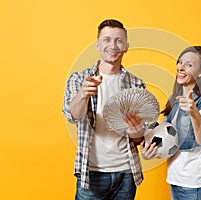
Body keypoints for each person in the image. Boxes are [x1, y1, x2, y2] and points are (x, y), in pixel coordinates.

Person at [62, 19, 146, 200]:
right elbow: (72, 116)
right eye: (107, 40)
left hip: (126, 172)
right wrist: (83, 95)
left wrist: (138, 133)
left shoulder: (137, 84)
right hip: (92, 173)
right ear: (97, 45)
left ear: (126, 46)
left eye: (118, 40)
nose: (113, 45)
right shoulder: (79, 79)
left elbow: (139, 137)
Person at [141, 46, 201, 200]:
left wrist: (194, 113)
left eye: (189, 65)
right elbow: (164, 137)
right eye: (180, 62)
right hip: (176, 181)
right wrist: (149, 150)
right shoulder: (174, 99)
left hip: (196, 186)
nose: (180, 67)